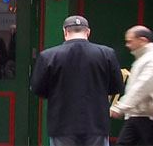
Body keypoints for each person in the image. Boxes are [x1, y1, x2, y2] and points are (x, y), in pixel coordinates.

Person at [31, 15, 123, 146]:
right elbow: (117, 87)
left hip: (61, 124)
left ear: (65, 31)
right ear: (88, 32)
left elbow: (38, 89)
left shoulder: (48, 56)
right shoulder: (107, 54)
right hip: (96, 124)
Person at [110, 26, 153, 146]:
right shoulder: (145, 59)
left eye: (130, 41)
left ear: (142, 40)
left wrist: (120, 107)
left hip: (149, 116)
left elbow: (142, 87)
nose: (127, 45)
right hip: (140, 114)